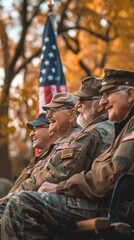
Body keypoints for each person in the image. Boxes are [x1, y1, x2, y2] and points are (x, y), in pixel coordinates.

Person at [0, 70, 124, 239]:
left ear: (99, 103)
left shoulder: (93, 132)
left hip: (101, 203)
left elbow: (60, 175)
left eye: (82, 100)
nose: (77, 105)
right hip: (100, 199)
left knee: (20, 203)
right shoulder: (108, 129)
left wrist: (59, 188)